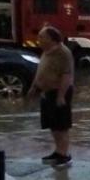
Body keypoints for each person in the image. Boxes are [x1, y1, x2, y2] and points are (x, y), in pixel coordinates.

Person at [28, 26, 74, 168]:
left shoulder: (63, 53)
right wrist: (34, 87)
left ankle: (64, 154)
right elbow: (42, 71)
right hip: (46, 92)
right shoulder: (46, 52)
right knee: (52, 125)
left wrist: (61, 96)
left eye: (42, 37)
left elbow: (66, 75)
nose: (38, 40)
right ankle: (58, 151)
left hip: (59, 92)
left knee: (61, 125)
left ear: (51, 39)